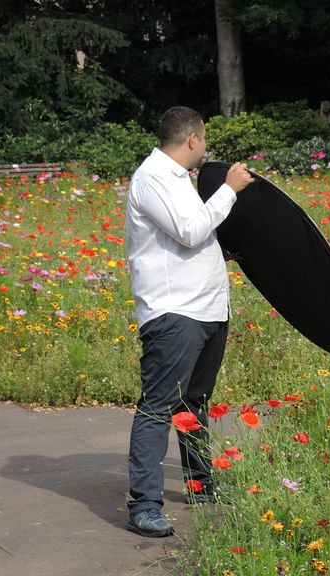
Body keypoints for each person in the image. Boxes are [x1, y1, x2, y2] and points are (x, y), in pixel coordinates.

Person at [124, 106, 254, 537]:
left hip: (208, 310)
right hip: (174, 312)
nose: (206, 146)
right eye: (205, 138)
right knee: (158, 407)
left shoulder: (179, 179)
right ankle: (144, 506)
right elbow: (189, 230)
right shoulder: (153, 177)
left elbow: (193, 237)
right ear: (193, 138)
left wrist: (223, 252)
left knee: (193, 403)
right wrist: (230, 189)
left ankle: (200, 486)